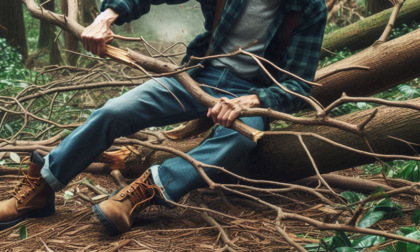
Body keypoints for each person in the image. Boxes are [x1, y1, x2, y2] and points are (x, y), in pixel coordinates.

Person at [0, 0, 327, 234]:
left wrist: (255, 100)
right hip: (197, 74)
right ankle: (43, 188)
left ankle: (146, 190)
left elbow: (298, 85)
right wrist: (107, 15)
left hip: (250, 95)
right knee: (114, 110)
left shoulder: (309, 7)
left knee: (243, 135)